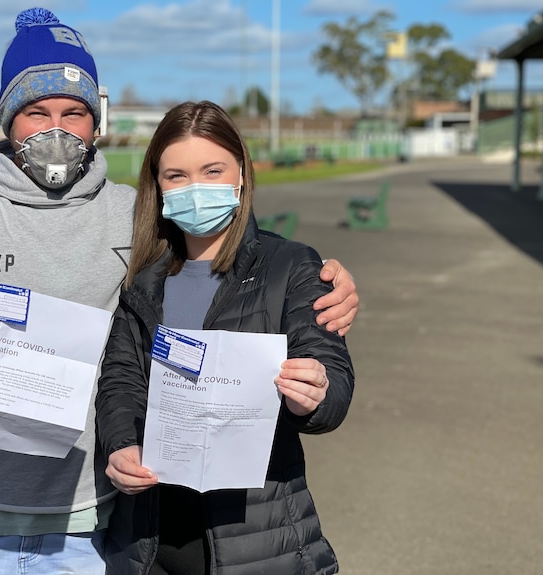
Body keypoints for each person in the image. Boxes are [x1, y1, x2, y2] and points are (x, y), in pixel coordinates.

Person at [0, 8, 358, 575]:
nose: (55, 128)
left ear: (96, 121)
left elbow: (232, 248)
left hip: (94, 513)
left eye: (74, 112)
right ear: (6, 119)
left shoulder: (133, 215)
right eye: (35, 112)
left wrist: (330, 280)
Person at [95, 100, 355, 575]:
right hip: (148, 545)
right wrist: (118, 446)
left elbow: (332, 378)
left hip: (260, 542)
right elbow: (120, 381)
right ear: (158, 186)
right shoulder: (143, 283)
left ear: (241, 174)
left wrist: (315, 394)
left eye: (212, 170)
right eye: (176, 176)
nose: (195, 189)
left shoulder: (291, 266)